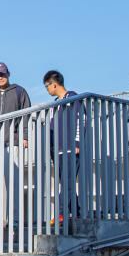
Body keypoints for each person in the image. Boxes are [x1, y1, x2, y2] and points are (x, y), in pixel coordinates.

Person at [0, 63, 30, 237]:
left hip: (12, 142)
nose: (0, 77)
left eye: (2, 74)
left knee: (14, 181)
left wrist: (24, 136)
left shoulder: (19, 91)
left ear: (8, 74)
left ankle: (15, 219)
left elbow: (26, 114)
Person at [43, 71, 82, 220]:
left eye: (47, 86)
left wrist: (77, 142)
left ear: (54, 84)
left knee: (67, 182)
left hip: (70, 148)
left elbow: (81, 119)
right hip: (57, 151)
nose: (47, 89)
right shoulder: (55, 104)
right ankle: (77, 213)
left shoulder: (72, 97)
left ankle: (60, 213)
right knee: (67, 183)